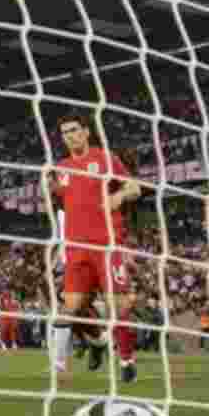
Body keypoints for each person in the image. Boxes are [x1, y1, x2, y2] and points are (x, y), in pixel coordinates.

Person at [48, 114, 141, 383]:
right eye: (65, 132)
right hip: (76, 249)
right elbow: (66, 208)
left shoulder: (105, 158)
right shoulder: (61, 168)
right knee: (69, 306)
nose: (70, 136)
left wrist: (120, 195)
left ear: (86, 132)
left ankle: (126, 360)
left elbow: (134, 187)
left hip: (107, 245)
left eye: (74, 130)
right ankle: (58, 367)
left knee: (119, 304)